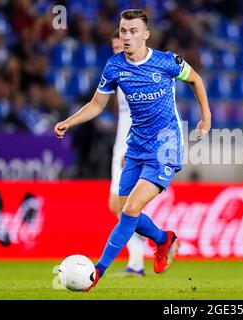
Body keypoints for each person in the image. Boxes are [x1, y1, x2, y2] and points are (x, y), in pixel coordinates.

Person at [54, 9, 211, 291]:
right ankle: (164, 239)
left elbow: (196, 80)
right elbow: (96, 105)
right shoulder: (114, 66)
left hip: (165, 147)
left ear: (146, 35)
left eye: (133, 31)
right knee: (123, 210)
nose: (127, 36)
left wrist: (206, 117)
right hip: (136, 146)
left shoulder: (167, 62)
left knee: (131, 208)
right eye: (123, 31)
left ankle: (98, 271)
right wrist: (69, 121)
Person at [108, 29, 145, 277]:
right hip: (120, 144)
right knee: (118, 206)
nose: (118, 53)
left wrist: (132, 148)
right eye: (114, 50)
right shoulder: (116, 74)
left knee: (124, 205)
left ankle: (139, 260)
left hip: (131, 146)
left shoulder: (139, 75)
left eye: (120, 48)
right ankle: (139, 259)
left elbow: (142, 116)